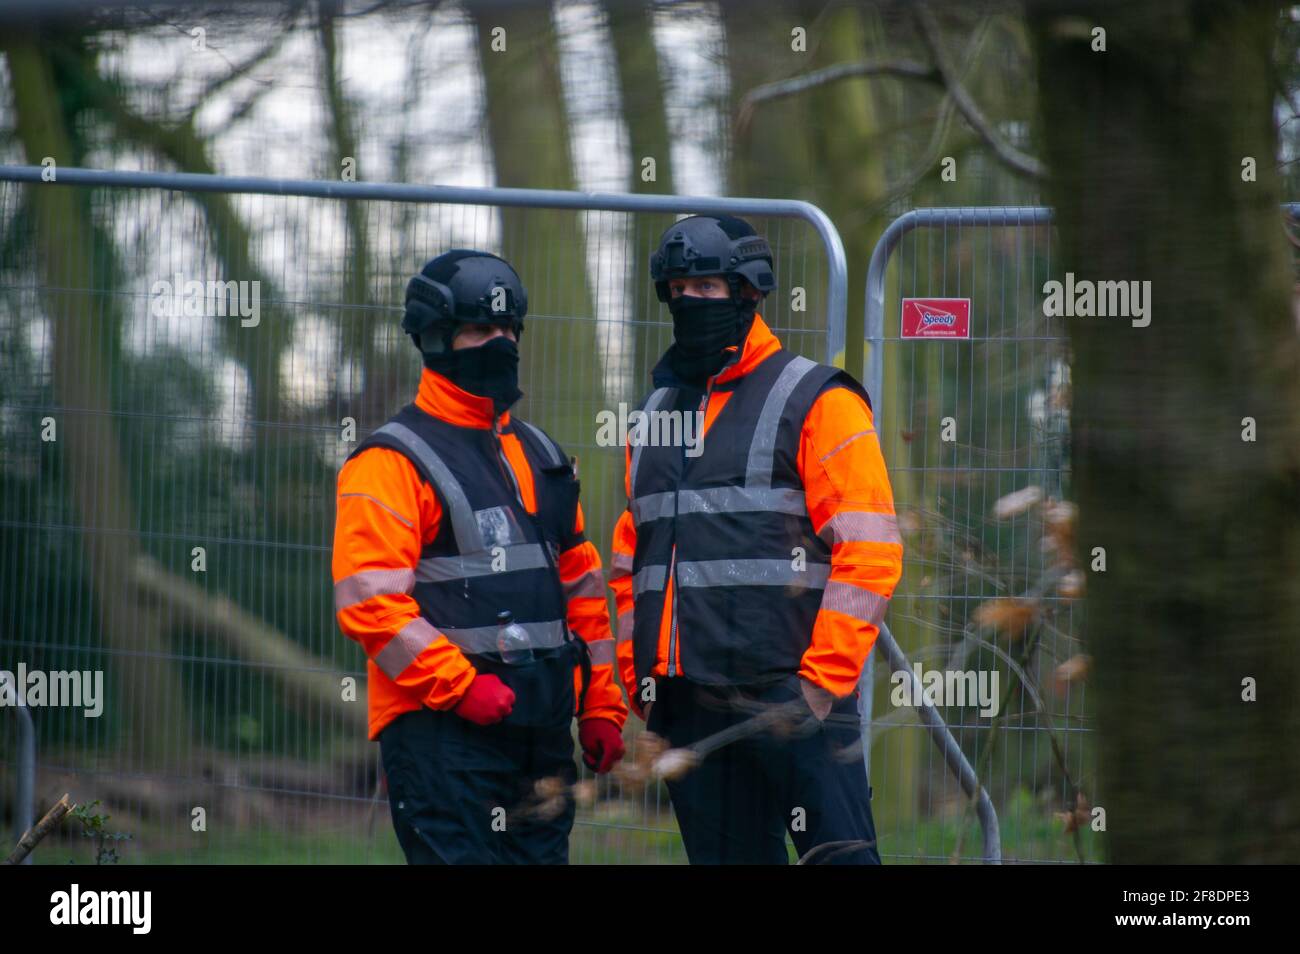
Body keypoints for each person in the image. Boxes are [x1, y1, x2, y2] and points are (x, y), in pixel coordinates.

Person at [608, 216, 903, 864]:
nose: (690, 301)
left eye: (707, 286)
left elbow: (872, 548)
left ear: (749, 293)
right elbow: (633, 563)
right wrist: (643, 683)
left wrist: (818, 688)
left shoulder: (819, 400)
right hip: (689, 707)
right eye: (678, 287)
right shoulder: (652, 416)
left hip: (794, 699)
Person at [332, 250, 627, 864]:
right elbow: (370, 603)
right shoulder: (388, 463)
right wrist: (460, 685)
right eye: (479, 330)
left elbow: (580, 588)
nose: (499, 342)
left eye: (507, 329)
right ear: (437, 339)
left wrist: (601, 703)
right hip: (442, 740)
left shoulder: (542, 452)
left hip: (542, 735)